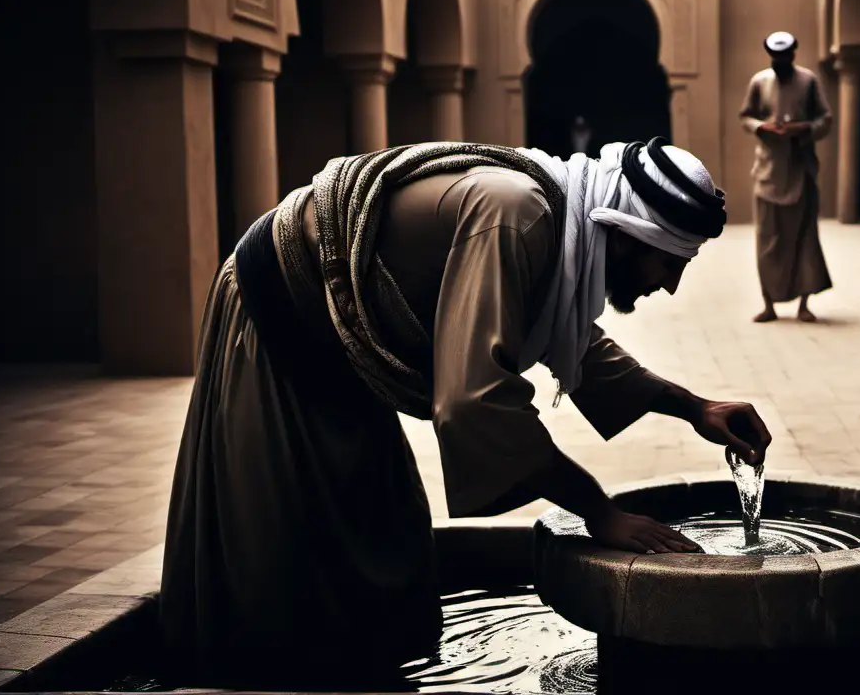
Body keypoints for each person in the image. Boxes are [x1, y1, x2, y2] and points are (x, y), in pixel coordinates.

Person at [159, 137, 772, 688]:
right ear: (623, 231)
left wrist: (692, 407)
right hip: (280, 319)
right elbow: (475, 401)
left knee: (383, 540)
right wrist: (598, 510)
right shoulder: (518, 215)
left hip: (343, 345)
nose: (669, 286)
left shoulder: (554, 224)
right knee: (275, 551)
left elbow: (567, 334)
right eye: (669, 263)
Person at [739, 31, 834, 323]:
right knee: (767, 238)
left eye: (785, 55)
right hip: (768, 171)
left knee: (803, 237)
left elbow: (825, 119)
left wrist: (803, 129)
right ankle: (768, 304)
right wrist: (761, 128)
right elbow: (746, 116)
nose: (780, 60)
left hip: (800, 169)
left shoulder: (808, 81)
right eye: (775, 56)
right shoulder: (759, 81)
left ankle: (804, 304)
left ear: (793, 53)